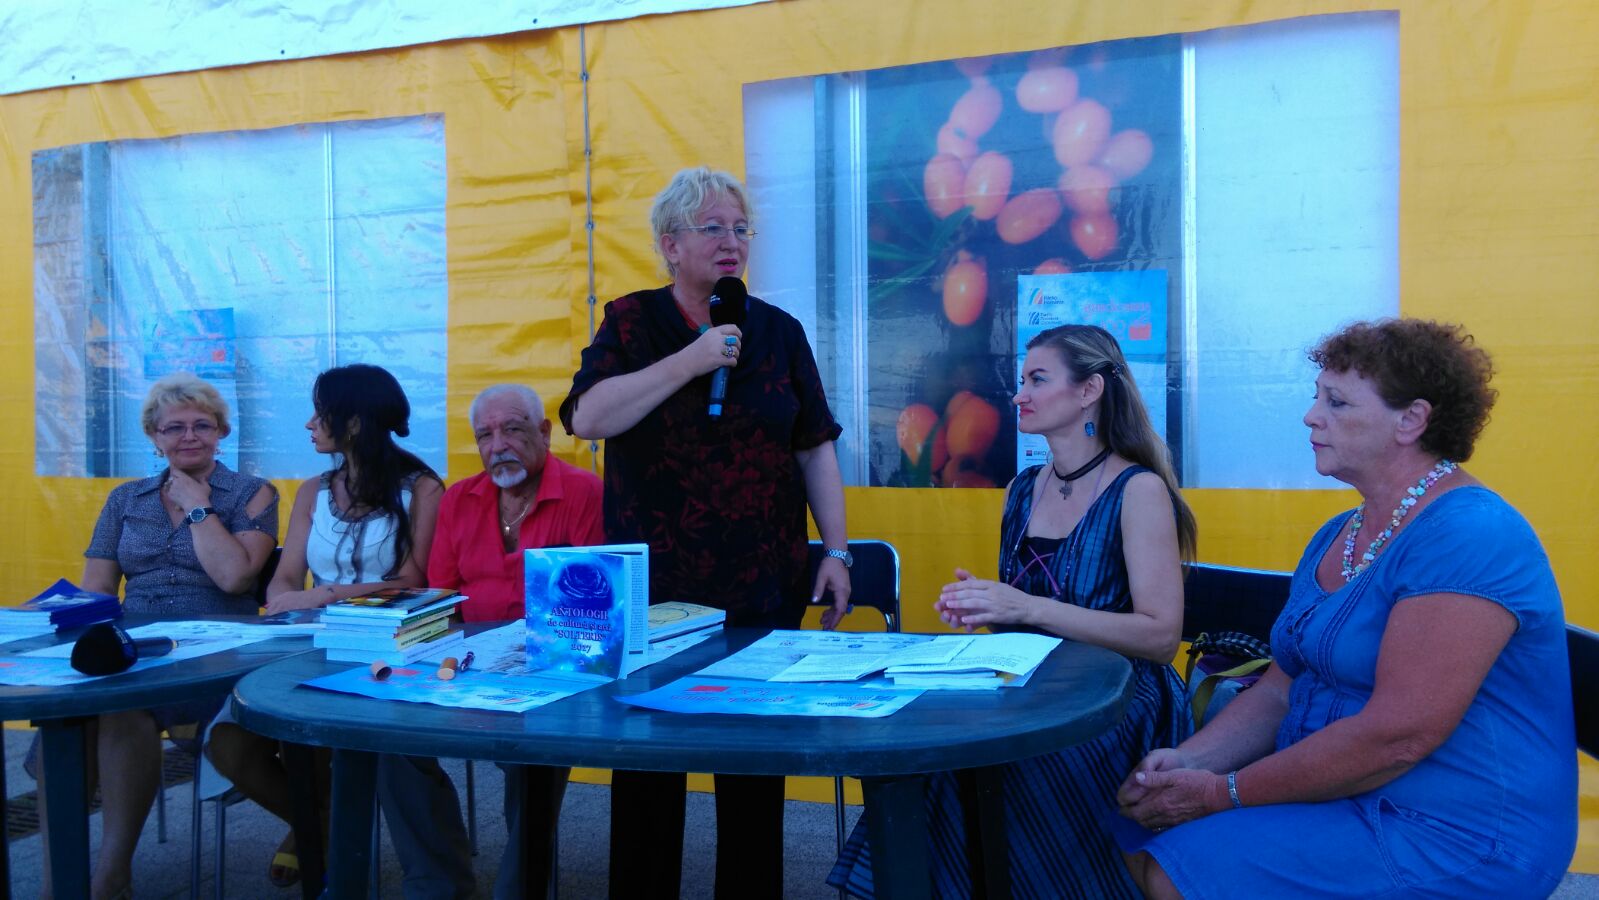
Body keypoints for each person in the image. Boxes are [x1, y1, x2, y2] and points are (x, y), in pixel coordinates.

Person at [1116, 319, 1576, 899]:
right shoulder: (1340, 532)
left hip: (1456, 829)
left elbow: (1398, 737)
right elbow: (1279, 692)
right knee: (1122, 829)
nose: (1311, 417)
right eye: (1317, 398)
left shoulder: (1470, 533)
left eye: (1335, 402)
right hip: (1346, 793)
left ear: (1411, 420)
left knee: (1177, 870)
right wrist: (1188, 763)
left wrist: (1222, 793)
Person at [561, 166, 852, 898]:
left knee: (752, 776)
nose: (732, 242)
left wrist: (836, 550)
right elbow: (587, 418)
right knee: (647, 777)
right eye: (713, 228)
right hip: (656, 592)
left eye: (741, 228)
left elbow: (814, 445)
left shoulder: (778, 331)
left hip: (762, 583)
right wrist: (690, 361)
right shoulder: (631, 322)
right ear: (670, 244)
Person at [827, 324, 1196, 898]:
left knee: (988, 761)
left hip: (1116, 698)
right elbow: (1024, 620)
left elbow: (1160, 637)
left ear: (1089, 391)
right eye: (1022, 379)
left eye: (1037, 379)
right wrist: (985, 607)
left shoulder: (1137, 489)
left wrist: (1024, 605)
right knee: (932, 746)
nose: (1019, 394)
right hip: (1034, 683)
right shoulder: (1023, 489)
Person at [37, 372, 278, 900]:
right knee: (70, 715)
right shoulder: (126, 498)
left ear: (222, 433)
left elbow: (235, 579)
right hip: (133, 644)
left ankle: (110, 877)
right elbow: (98, 589)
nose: (189, 436)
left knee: (123, 709)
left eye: (202, 425)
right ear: (153, 436)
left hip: (216, 649)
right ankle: (60, 883)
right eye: (174, 427)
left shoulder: (251, 493)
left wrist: (197, 506)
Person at [206, 363, 447, 892]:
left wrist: (324, 595)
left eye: (321, 412)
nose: (310, 423)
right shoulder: (313, 490)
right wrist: (284, 602)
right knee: (227, 743)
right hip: (306, 637)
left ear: (354, 422)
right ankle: (320, 820)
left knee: (319, 723)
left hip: (385, 644)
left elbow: (413, 579)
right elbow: (286, 575)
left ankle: (326, 838)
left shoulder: (423, 488)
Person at [373, 383, 604, 899]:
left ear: (544, 433)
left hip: (548, 665)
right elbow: (443, 598)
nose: (498, 446)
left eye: (513, 430)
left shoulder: (584, 493)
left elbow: (591, 607)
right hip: (470, 660)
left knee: (532, 750)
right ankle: (437, 884)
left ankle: (518, 889)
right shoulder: (460, 499)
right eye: (485, 435)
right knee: (393, 740)